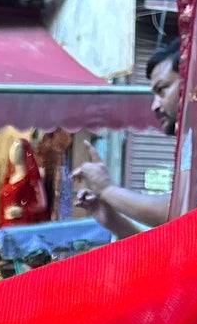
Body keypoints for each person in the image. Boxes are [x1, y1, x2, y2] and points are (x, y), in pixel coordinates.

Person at [72, 41, 181, 234]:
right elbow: (174, 239)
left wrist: (107, 189)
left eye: (162, 89)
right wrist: (113, 220)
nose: (154, 106)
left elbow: (179, 210)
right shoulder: (191, 141)